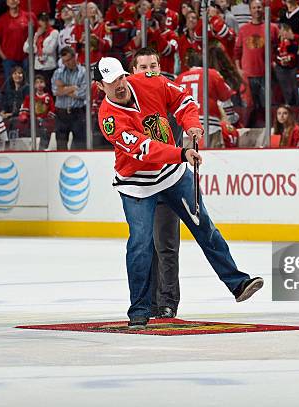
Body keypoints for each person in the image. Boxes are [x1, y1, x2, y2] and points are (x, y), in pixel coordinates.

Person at [95, 57, 264, 328]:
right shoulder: (109, 118)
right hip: (136, 184)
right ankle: (139, 309)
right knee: (140, 244)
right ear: (100, 86)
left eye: (121, 77)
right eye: (111, 81)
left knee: (204, 227)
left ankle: (237, 283)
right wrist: (182, 153)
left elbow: (184, 100)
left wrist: (191, 123)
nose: (119, 84)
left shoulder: (148, 82)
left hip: (172, 175)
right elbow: (145, 150)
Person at [130, 47, 182, 318]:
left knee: (166, 245)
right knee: (144, 246)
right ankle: (148, 301)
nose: (149, 70)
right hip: (141, 183)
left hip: (168, 180)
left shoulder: (170, 94)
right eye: (143, 66)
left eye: (154, 65)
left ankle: (167, 301)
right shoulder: (126, 102)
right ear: (133, 72)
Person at [176, 49, 238, 147]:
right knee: (212, 160)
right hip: (210, 127)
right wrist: (230, 119)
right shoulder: (212, 74)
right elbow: (226, 99)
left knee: (188, 160)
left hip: (186, 129)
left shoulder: (179, 78)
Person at [234, 0, 279, 126]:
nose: (257, 10)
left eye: (259, 7)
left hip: (266, 75)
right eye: (254, 8)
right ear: (250, 10)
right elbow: (237, 52)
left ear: (263, 9)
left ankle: (269, 134)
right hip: (248, 76)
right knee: (249, 108)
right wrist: (239, 69)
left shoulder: (272, 28)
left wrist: (274, 62)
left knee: (267, 107)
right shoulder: (243, 30)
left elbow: (278, 47)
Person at [51, 46, 87, 150]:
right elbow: (55, 91)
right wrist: (73, 87)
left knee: (79, 145)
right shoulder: (58, 72)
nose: (67, 63)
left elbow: (83, 93)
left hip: (78, 113)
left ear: (74, 57)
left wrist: (63, 88)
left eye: (68, 60)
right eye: (64, 61)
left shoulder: (83, 72)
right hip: (61, 113)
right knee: (61, 145)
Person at [0, 0, 38, 80]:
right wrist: (4, 58)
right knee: (10, 87)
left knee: (28, 84)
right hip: (9, 60)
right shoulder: (1, 20)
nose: (12, 1)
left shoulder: (30, 16)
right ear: (7, 2)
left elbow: (37, 33)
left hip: (27, 57)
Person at [18, 74, 56, 149]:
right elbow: (24, 110)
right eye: (37, 82)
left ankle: (43, 149)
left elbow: (52, 110)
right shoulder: (29, 97)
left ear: (44, 84)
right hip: (32, 123)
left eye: (41, 82)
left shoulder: (48, 97)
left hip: (44, 123)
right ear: (34, 85)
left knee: (45, 131)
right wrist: (24, 115)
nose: (39, 84)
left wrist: (47, 119)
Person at [24, 12, 59, 92]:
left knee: (49, 89)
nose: (44, 23)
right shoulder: (35, 34)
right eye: (42, 20)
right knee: (38, 90)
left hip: (49, 66)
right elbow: (25, 48)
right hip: (38, 66)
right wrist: (36, 37)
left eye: (46, 20)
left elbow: (50, 49)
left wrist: (35, 50)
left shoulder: (54, 32)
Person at [275, 24, 299, 106]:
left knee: (296, 90)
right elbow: (275, 54)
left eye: (285, 31)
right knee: (286, 91)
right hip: (282, 69)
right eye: (281, 31)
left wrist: (290, 58)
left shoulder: (296, 39)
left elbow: (298, 52)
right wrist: (279, 61)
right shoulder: (278, 41)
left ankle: (298, 107)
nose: (283, 33)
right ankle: (288, 105)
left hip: (294, 68)